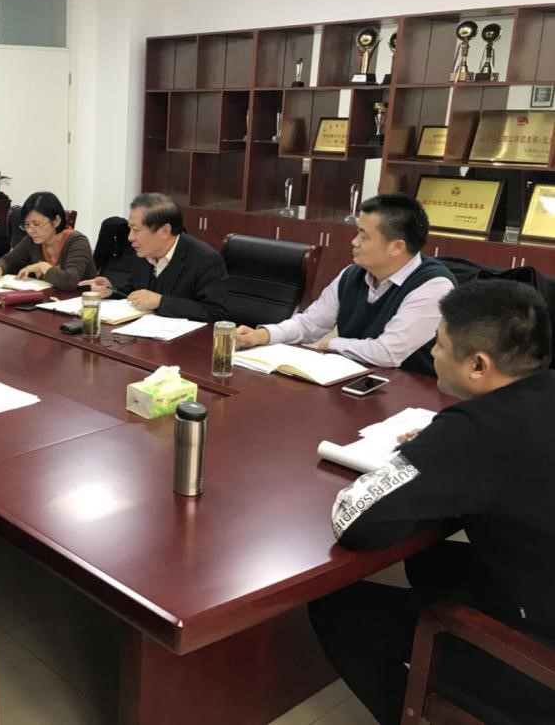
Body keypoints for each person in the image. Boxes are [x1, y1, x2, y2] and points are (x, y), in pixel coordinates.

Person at [309, 279, 555, 725]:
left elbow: (356, 521)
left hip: (537, 661)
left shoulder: (477, 430)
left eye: (439, 343)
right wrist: (441, 446)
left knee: (336, 610)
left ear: (478, 365)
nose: (432, 352)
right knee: (429, 560)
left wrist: (422, 454)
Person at [235, 193, 455, 375]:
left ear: (396, 247)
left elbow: (388, 353)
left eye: (364, 237)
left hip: (409, 391)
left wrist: (332, 344)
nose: (354, 242)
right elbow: (310, 324)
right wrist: (262, 335)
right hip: (352, 377)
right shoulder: (353, 274)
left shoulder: (433, 286)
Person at [79, 192, 228, 322]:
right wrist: (111, 290)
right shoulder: (144, 253)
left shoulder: (205, 260)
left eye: (136, 230)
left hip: (182, 342)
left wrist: (160, 301)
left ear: (164, 231)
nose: (130, 237)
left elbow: (215, 313)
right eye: (130, 229)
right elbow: (133, 291)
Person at [0, 191, 95, 291]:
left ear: (56, 221)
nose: (30, 230)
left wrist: (42, 266)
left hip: (81, 303)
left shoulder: (77, 241)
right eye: (26, 225)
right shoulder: (32, 240)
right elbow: (7, 260)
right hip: (48, 300)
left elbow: (69, 282)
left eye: (36, 224)